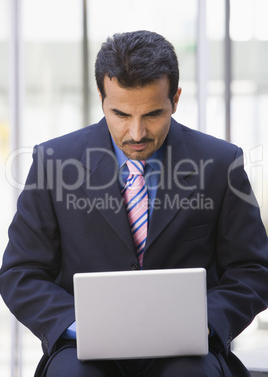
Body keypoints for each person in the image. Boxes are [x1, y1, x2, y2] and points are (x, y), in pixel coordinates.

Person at [1, 30, 268, 377]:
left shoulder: (219, 163)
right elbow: (21, 273)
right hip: (82, 350)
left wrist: (205, 321)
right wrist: (77, 325)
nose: (137, 133)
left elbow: (253, 269)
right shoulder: (53, 162)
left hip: (188, 351)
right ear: (101, 98)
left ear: (176, 99)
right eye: (121, 114)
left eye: (153, 114)